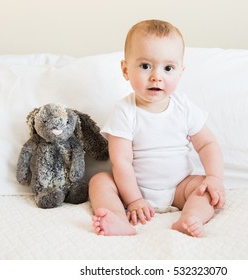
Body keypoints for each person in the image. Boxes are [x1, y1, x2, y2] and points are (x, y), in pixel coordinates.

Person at [89, 19, 225, 237]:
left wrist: (215, 177)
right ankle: (118, 219)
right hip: (133, 188)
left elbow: (208, 143)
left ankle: (191, 218)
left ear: (180, 72)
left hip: (180, 188)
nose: (156, 76)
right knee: (100, 181)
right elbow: (121, 161)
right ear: (125, 69)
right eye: (145, 66)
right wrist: (133, 199)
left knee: (205, 188)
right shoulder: (125, 111)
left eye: (168, 68)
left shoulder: (184, 108)